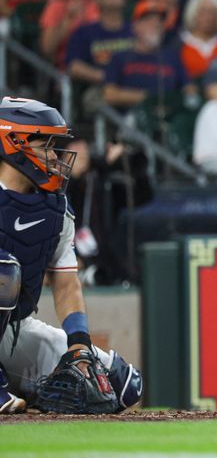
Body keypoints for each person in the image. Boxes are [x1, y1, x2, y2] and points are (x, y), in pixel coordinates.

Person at [0, 97, 142, 414]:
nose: (55, 156)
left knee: (119, 385)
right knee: (3, 271)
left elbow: (65, 283)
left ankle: (25, 389)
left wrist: (78, 344)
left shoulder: (56, 207)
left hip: (13, 330)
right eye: (46, 146)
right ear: (14, 143)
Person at [103, 0, 193, 110]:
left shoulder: (173, 57)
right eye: (148, 20)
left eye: (159, 21)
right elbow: (110, 94)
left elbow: (189, 90)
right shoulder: (119, 57)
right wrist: (149, 98)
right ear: (135, 26)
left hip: (169, 116)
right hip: (129, 118)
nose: (155, 24)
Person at [66, 0, 133, 86]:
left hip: (135, 85)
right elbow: (74, 67)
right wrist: (108, 77)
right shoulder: (84, 32)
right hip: (99, 87)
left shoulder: (136, 30)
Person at [39, 0, 99, 67]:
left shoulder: (101, 4)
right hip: (67, 65)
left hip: (99, 61)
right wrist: (67, 19)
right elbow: (47, 47)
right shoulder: (56, 7)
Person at [179, 0, 217, 80]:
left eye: (212, 12)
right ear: (193, 14)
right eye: (203, 11)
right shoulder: (178, 45)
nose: (208, 17)